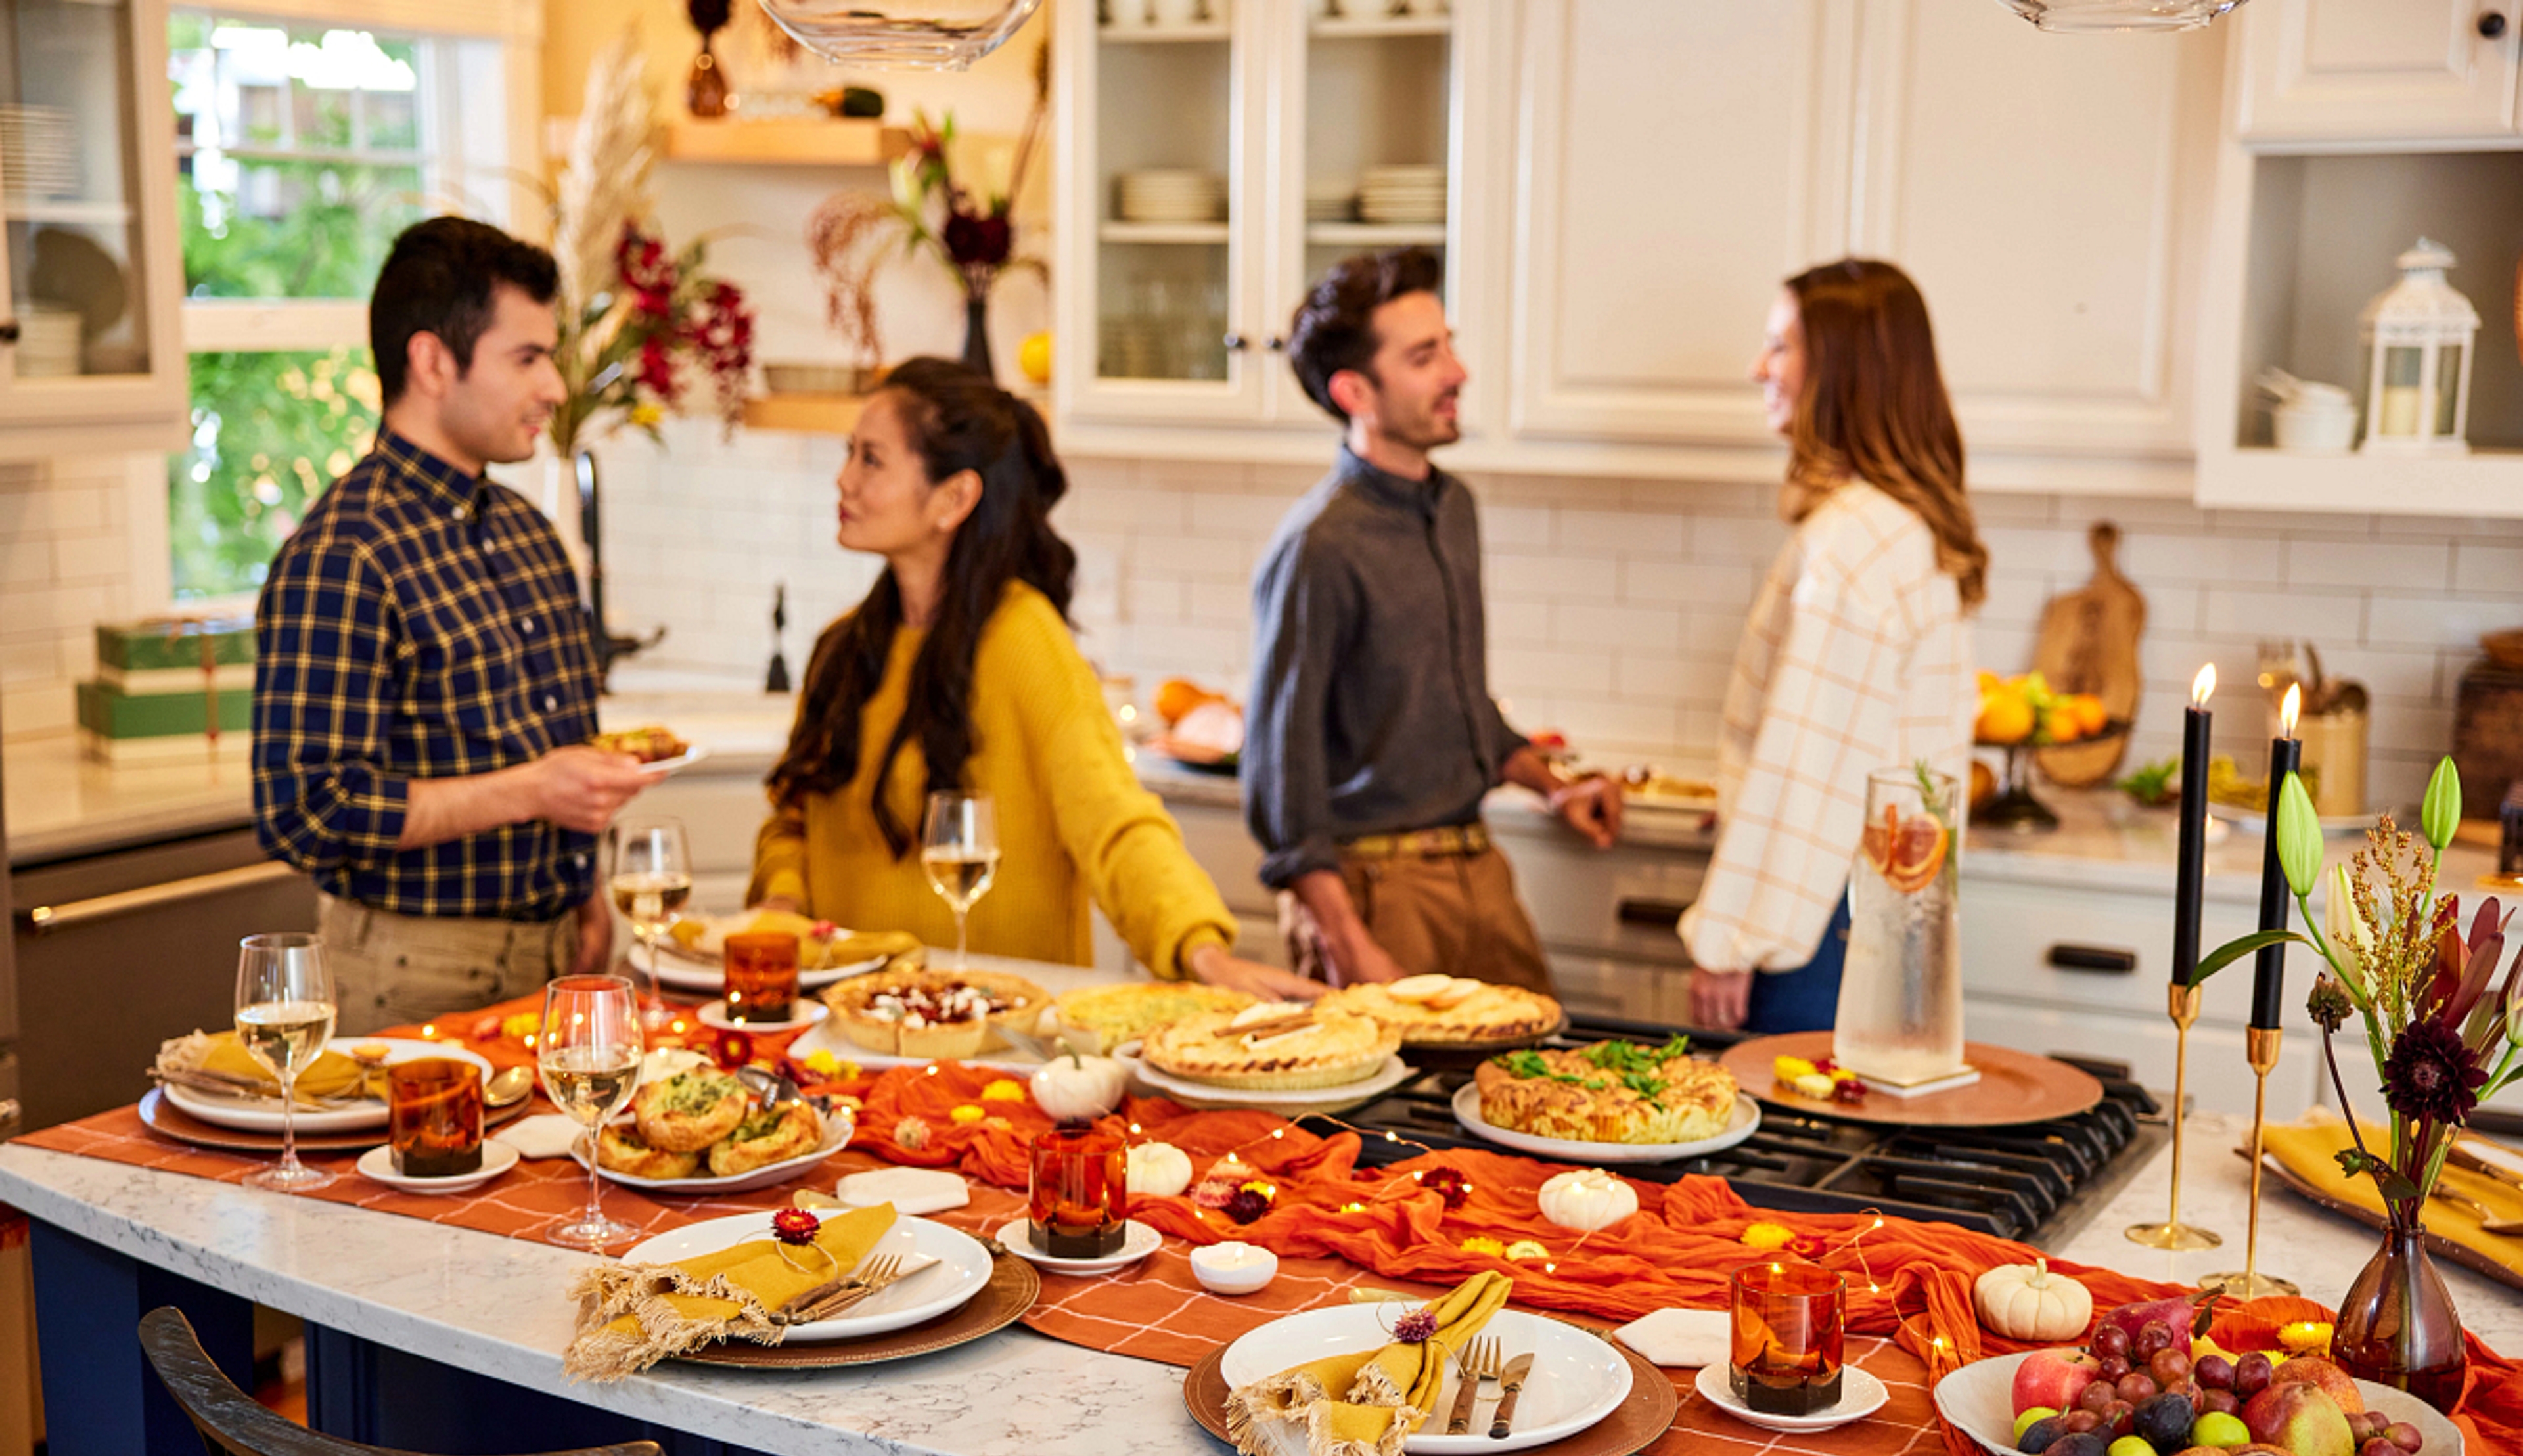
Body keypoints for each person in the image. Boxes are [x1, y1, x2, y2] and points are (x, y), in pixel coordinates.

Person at [750, 358, 1315, 1001]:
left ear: (955, 498)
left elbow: (1114, 821)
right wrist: (782, 902)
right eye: (850, 453)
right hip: (844, 1023)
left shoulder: (1024, 638)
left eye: (871, 460)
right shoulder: (841, 648)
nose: (844, 480)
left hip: (995, 1039)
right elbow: (794, 818)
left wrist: (1201, 950)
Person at [253, 217, 664, 1033]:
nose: (554, 386)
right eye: (528, 358)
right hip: (414, 971)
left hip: (562, 951)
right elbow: (307, 810)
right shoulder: (344, 553)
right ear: (433, 361)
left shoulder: (526, 533)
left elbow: (559, 740)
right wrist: (529, 793)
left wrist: (586, 899)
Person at [1244, 248, 1621, 992]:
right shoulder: (1318, 546)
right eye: (1425, 356)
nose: (1458, 372)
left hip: (1479, 872)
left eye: (1448, 345)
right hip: (1376, 893)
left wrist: (1553, 786)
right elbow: (1279, 784)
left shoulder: (1455, 510)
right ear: (1356, 391)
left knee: (1538, 1090)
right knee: (1387, 1114)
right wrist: (1349, 944)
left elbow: (1453, 703)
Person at [1680, 258, 1984, 1035]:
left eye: (1780, 346)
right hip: (1892, 914)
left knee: (1786, 1155)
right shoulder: (1897, 527)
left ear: (1842, 372)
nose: (1759, 368)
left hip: (1817, 935)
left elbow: (1807, 765)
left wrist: (1730, 940)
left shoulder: (1849, 545)